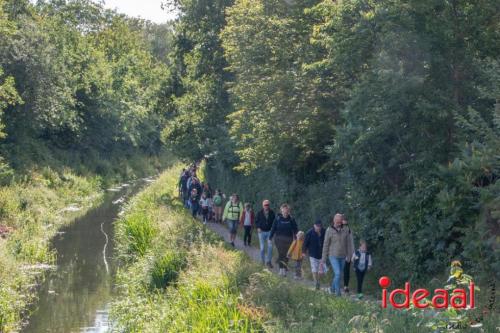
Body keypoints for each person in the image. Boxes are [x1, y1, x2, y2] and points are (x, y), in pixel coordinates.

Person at [321, 213, 354, 296]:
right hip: (333, 255)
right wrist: (323, 259)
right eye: (337, 222)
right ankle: (338, 294)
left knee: (338, 275)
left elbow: (349, 243)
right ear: (334, 221)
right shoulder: (329, 230)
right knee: (338, 273)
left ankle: (331, 289)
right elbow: (325, 245)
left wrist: (349, 255)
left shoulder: (346, 229)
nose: (339, 224)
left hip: (343, 256)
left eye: (340, 222)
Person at [269, 203, 298, 277]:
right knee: (281, 254)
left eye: (286, 210)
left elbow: (295, 229)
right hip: (278, 239)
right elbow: (273, 228)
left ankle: (284, 269)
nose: (285, 212)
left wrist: (298, 237)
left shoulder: (291, 219)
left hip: (289, 240)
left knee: (287, 255)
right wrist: (270, 237)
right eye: (284, 210)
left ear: (288, 211)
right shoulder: (277, 219)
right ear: (281, 210)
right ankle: (281, 269)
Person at [303, 219, 326, 290]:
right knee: (314, 269)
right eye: (317, 226)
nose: (319, 228)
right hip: (312, 254)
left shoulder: (324, 232)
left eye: (320, 226)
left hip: (322, 254)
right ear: (314, 226)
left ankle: (318, 281)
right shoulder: (309, 233)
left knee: (322, 272)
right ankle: (316, 283)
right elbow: (305, 243)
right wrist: (303, 252)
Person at [255, 199, 275, 268]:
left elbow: (274, 222)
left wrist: (273, 229)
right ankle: (262, 261)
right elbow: (256, 221)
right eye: (265, 205)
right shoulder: (259, 213)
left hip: (269, 232)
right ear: (263, 205)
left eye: (268, 205)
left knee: (270, 247)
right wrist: (258, 227)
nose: (267, 206)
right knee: (262, 248)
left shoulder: (272, 213)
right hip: (261, 232)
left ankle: (268, 261)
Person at [342, 217, 355, 294]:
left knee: (346, 270)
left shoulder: (349, 231)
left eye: (346, 224)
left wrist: (353, 253)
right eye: (343, 224)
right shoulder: (337, 231)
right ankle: (335, 285)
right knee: (339, 270)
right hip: (339, 254)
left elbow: (351, 243)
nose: (345, 226)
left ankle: (346, 286)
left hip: (348, 254)